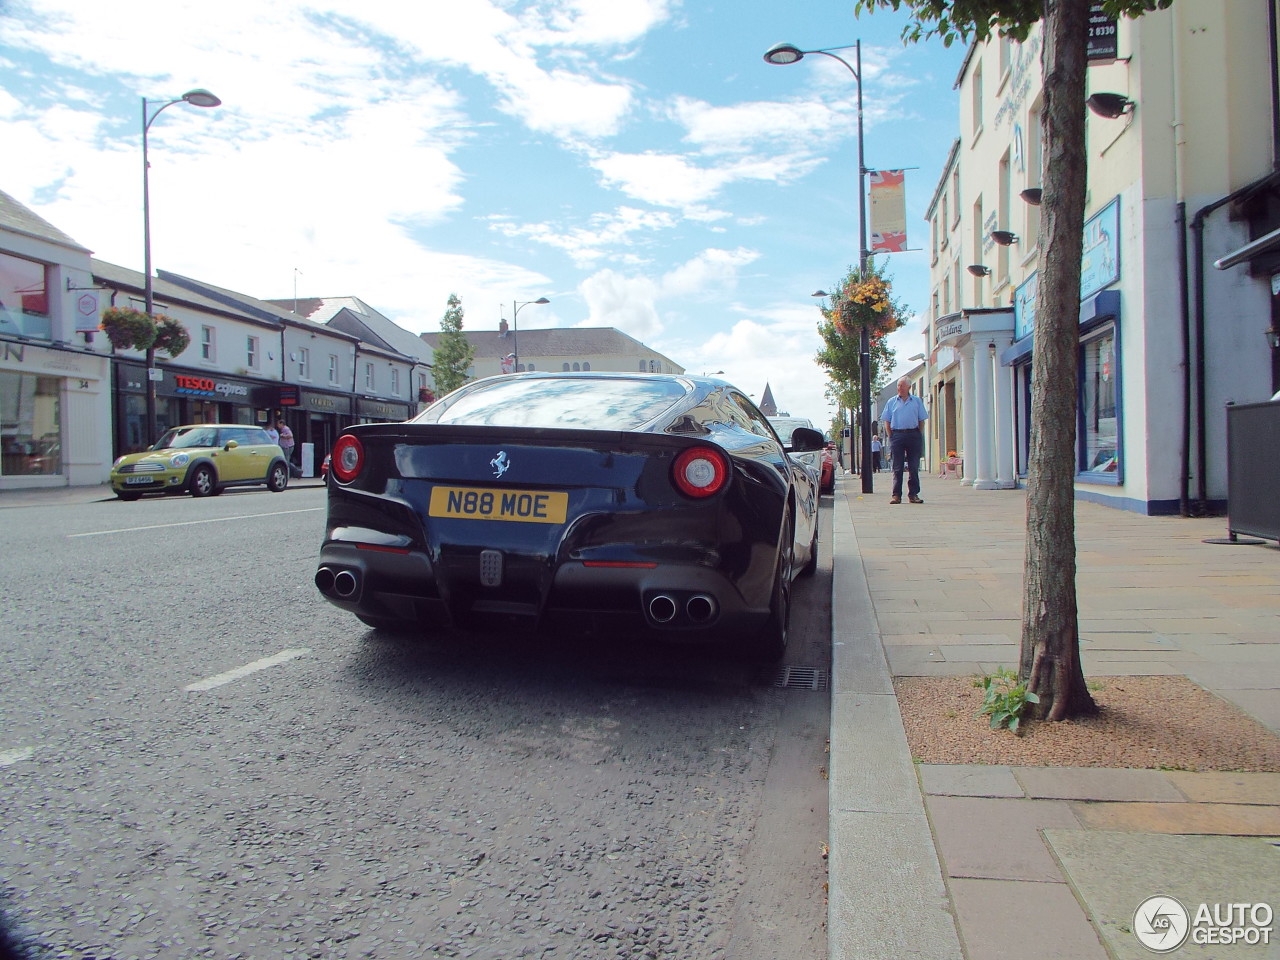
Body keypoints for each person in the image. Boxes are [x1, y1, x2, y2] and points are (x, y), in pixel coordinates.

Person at [881, 377, 929, 505]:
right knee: (897, 467)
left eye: (902, 386)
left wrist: (918, 433)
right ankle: (896, 495)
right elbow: (887, 421)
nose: (899, 388)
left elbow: (921, 420)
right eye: (898, 386)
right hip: (897, 435)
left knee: (913, 466)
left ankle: (913, 494)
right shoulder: (891, 402)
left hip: (913, 434)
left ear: (909, 387)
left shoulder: (917, 401)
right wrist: (891, 436)